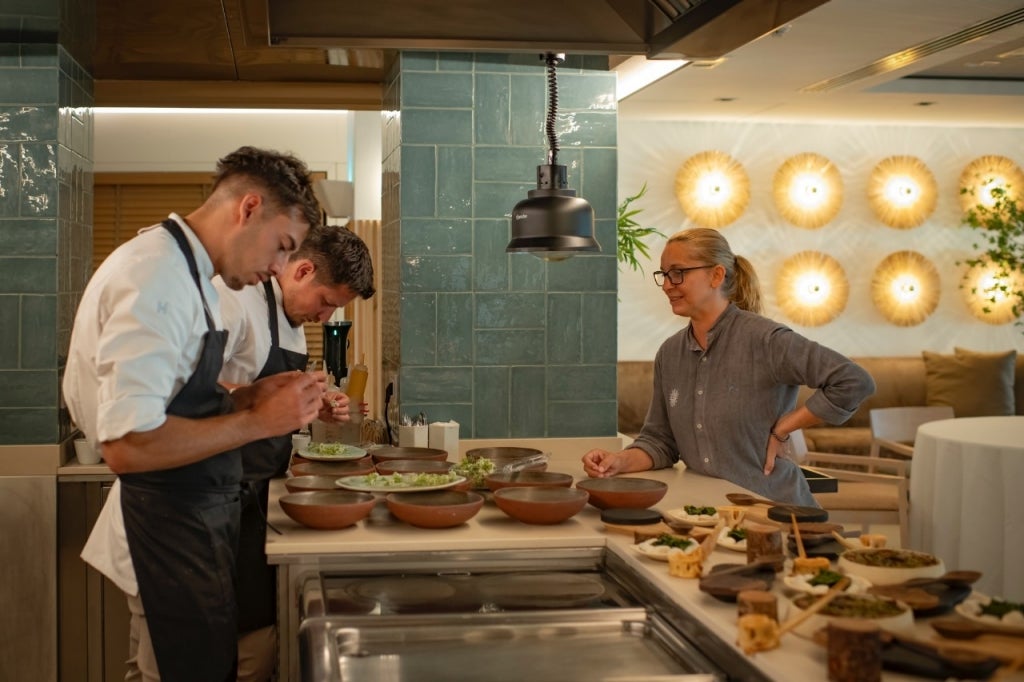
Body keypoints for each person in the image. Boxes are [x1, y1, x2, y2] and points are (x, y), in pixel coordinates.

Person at [64, 146, 326, 682]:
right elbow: (128, 444)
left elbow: (174, 400)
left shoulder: (190, 276)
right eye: (281, 246)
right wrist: (258, 422)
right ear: (248, 208)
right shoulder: (156, 276)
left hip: (191, 526)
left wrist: (246, 398)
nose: (278, 268)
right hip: (163, 529)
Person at [582, 227, 874, 507]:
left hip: (781, 514)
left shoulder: (766, 340)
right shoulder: (670, 354)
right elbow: (660, 441)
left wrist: (783, 428)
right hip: (711, 514)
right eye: (664, 274)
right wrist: (618, 461)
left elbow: (853, 381)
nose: (668, 284)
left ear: (716, 275)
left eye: (678, 273)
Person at [215, 224, 375, 681]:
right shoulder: (235, 301)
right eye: (326, 302)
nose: (326, 317)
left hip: (253, 496)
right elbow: (187, 388)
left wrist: (315, 404)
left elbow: (278, 401)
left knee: (255, 638)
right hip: (215, 492)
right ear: (302, 269)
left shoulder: (292, 322)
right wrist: (259, 395)